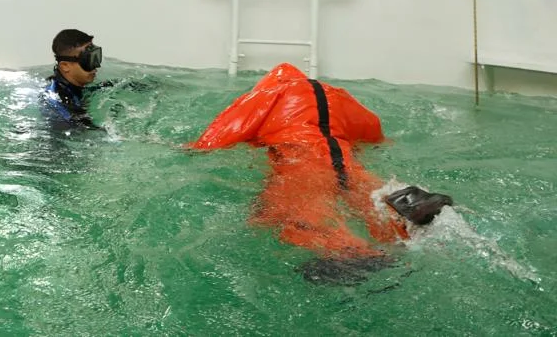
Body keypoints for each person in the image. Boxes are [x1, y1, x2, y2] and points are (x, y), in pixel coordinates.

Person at [191, 62, 454, 285]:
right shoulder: (336, 94)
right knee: (366, 191)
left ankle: (348, 251)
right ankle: (406, 206)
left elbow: (216, 138)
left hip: (301, 157)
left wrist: (191, 150)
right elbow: (373, 131)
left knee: (295, 214)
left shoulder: (268, 94)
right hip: (342, 154)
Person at [42, 29, 105, 130]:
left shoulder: (74, 87)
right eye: (87, 60)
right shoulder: (61, 100)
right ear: (65, 66)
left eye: (96, 56)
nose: (96, 66)